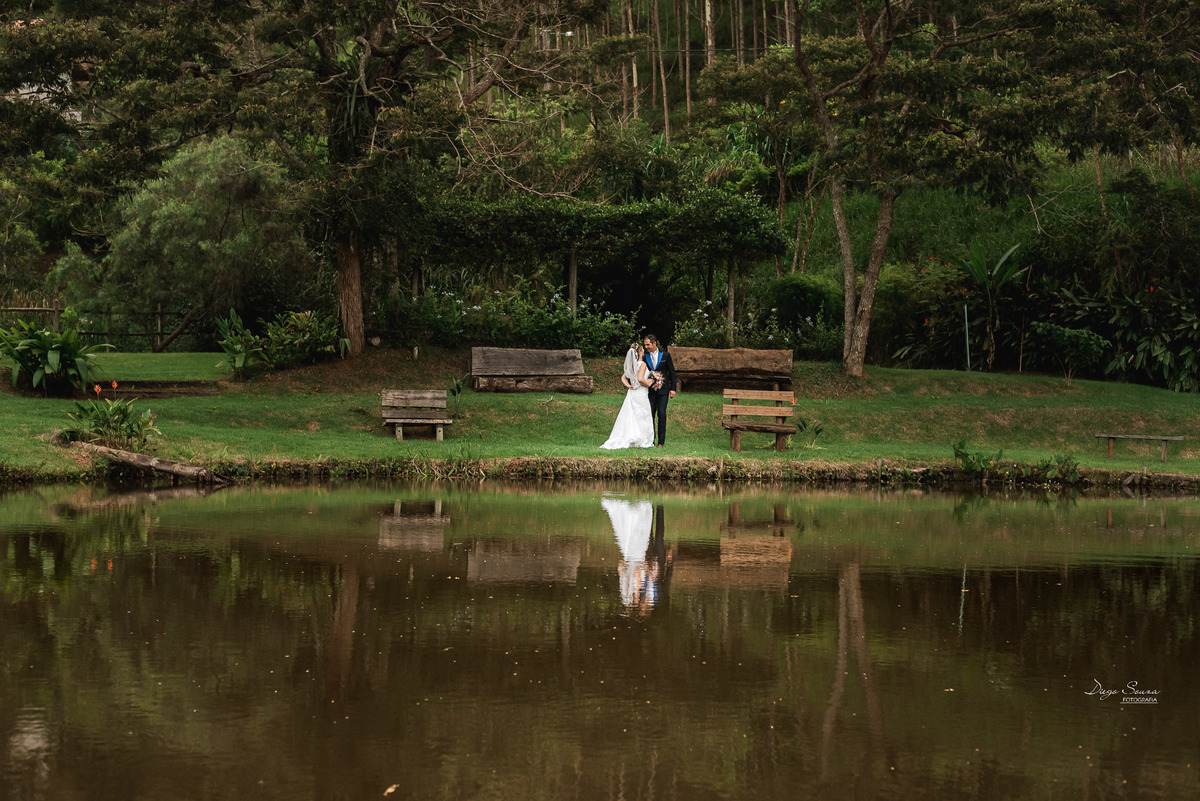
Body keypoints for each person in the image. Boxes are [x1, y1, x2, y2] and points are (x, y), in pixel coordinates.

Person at [599, 343, 655, 450]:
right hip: (640, 393)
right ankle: (642, 439)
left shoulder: (632, 365)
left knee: (632, 415)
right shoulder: (642, 364)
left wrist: (629, 386)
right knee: (642, 415)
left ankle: (633, 436)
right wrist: (648, 382)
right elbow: (640, 379)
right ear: (639, 352)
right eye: (642, 350)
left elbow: (623, 378)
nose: (643, 351)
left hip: (632, 393)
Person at [642, 334, 676, 447]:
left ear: (654, 343)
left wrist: (673, 389)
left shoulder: (665, 355)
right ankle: (650, 440)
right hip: (650, 391)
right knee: (650, 414)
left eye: (648, 344)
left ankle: (661, 442)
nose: (646, 347)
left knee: (661, 414)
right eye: (645, 345)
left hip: (664, 391)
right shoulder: (645, 357)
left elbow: (672, 372)